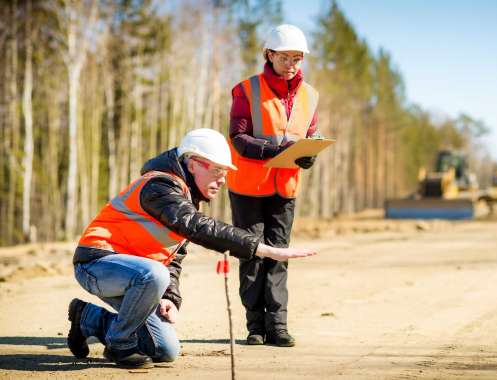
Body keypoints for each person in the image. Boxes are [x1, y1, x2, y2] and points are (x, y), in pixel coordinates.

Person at [67, 128, 316, 369]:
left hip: (137, 278)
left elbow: (173, 257)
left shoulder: (185, 198)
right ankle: (120, 344)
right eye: (217, 170)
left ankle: (88, 318)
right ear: (194, 164)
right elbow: (197, 227)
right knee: (154, 275)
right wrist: (263, 249)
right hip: (97, 263)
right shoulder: (159, 186)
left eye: (225, 173)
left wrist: (169, 297)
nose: (222, 179)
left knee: (165, 349)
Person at [227, 24, 319, 347]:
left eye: (298, 58)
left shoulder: (310, 95)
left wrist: (308, 157)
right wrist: (274, 151)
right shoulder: (246, 90)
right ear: (269, 54)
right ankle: (255, 327)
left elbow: (309, 137)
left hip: (286, 188)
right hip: (248, 186)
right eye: (285, 57)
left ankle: (277, 326)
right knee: (252, 255)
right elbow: (238, 139)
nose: (292, 64)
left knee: (278, 255)